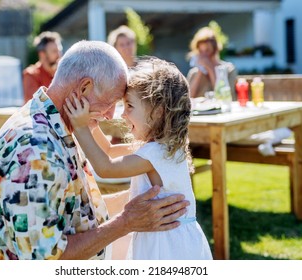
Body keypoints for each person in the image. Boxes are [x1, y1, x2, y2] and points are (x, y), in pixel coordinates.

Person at [0, 41, 189, 260]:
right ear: (83, 88)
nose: (111, 116)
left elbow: (70, 211)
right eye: (112, 102)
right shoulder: (34, 151)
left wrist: (141, 200)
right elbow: (45, 258)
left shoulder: (57, 124)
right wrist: (125, 223)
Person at [65, 57, 213, 260]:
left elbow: (106, 167)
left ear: (157, 111)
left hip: (168, 244)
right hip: (173, 237)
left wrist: (80, 128)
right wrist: (92, 125)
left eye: (130, 107)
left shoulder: (155, 154)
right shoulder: (162, 147)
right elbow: (108, 150)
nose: (122, 115)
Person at [187, 26, 237, 98]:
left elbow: (223, 96)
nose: (204, 55)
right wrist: (200, 71)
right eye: (201, 51)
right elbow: (189, 98)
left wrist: (210, 69)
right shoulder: (193, 73)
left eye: (207, 50)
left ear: (216, 50)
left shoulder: (228, 69)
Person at [22, 31, 63, 102]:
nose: (59, 55)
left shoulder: (63, 74)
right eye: (54, 51)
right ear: (42, 54)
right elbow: (37, 106)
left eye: (60, 51)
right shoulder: (31, 75)